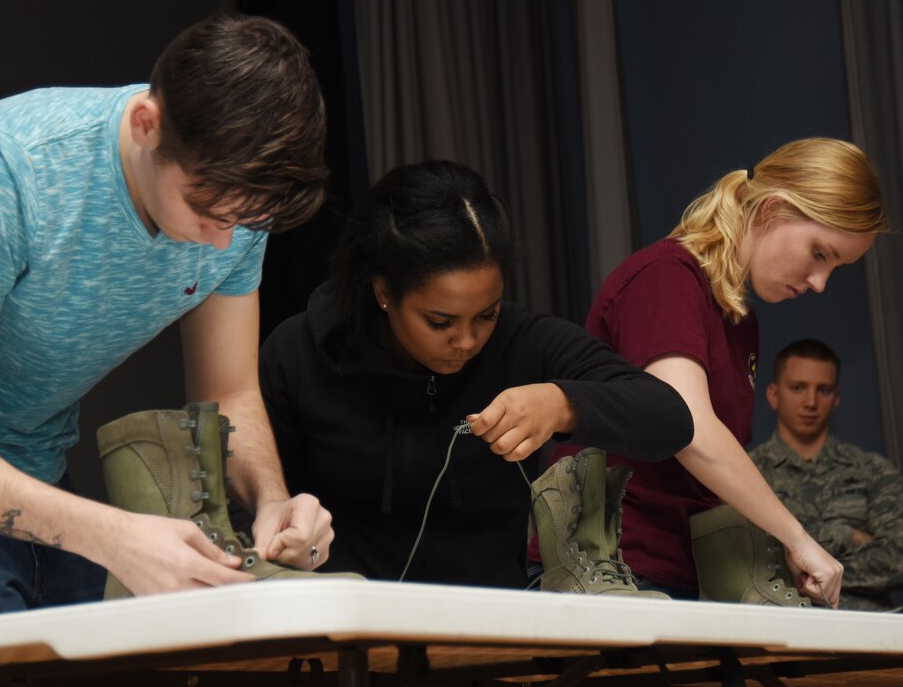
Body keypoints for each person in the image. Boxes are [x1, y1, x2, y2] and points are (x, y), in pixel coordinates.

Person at [0, 13, 335, 629]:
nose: (222, 245)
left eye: (245, 222)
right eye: (205, 212)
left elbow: (228, 394)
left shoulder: (237, 202)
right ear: (148, 125)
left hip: (30, 463)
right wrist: (113, 534)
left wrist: (274, 503)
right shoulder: (8, 172)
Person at [258, 160, 694, 587]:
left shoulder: (523, 343)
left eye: (486, 315)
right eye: (440, 322)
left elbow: (670, 418)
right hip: (348, 621)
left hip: (491, 623)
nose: (466, 341)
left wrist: (562, 404)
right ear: (384, 293)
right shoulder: (301, 353)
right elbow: (252, 504)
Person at [550, 138, 888, 608]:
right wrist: (797, 538)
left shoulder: (738, 317)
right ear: (772, 210)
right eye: (820, 254)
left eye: (837, 268)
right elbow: (689, 429)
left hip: (690, 572)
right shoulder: (665, 278)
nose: (820, 283)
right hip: (617, 570)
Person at [750, 339, 903, 611]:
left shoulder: (873, 471)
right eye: (798, 388)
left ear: (836, 399)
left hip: (865, 633)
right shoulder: (748, 474)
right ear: (773, 395)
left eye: (823, 390)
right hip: (779, 631)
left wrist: (795, 565)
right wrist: (846, 536)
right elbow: (746, 568)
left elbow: (897, 560)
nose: (810, 402)